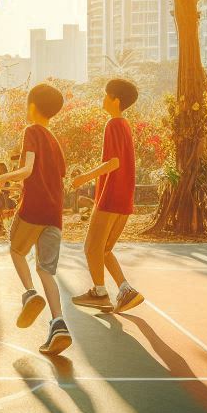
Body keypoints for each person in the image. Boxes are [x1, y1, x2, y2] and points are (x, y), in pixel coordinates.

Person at [0, 82, 72, 356]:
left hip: (33, 210)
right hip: (54, 215)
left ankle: (30, 294)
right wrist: (18, 185)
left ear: (32, 106)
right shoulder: (55, 141)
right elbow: (52, 178)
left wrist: (0, 179)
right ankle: (58, 323)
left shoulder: (32, 131)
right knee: (46, 269)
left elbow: (28, 169)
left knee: (17, 249)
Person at [70, 77, 144, 314]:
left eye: (106, 95)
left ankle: (100, 293)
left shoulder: (113, 124)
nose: (103, 98)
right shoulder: (124, 125)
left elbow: (113, 163)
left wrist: (84, 178)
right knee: (104, 250)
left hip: (111, 196)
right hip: (124, 199)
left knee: (91, 247)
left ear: (115, 100)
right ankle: (125, 289)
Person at [0, 161, 18, 226]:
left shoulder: (7, 180)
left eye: (3, 169)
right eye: (0, 169)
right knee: (1, 198)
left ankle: (6, 218)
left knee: (8, 199)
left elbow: (11, 190)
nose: (2, 171)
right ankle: (2, 219)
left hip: (6, 198)